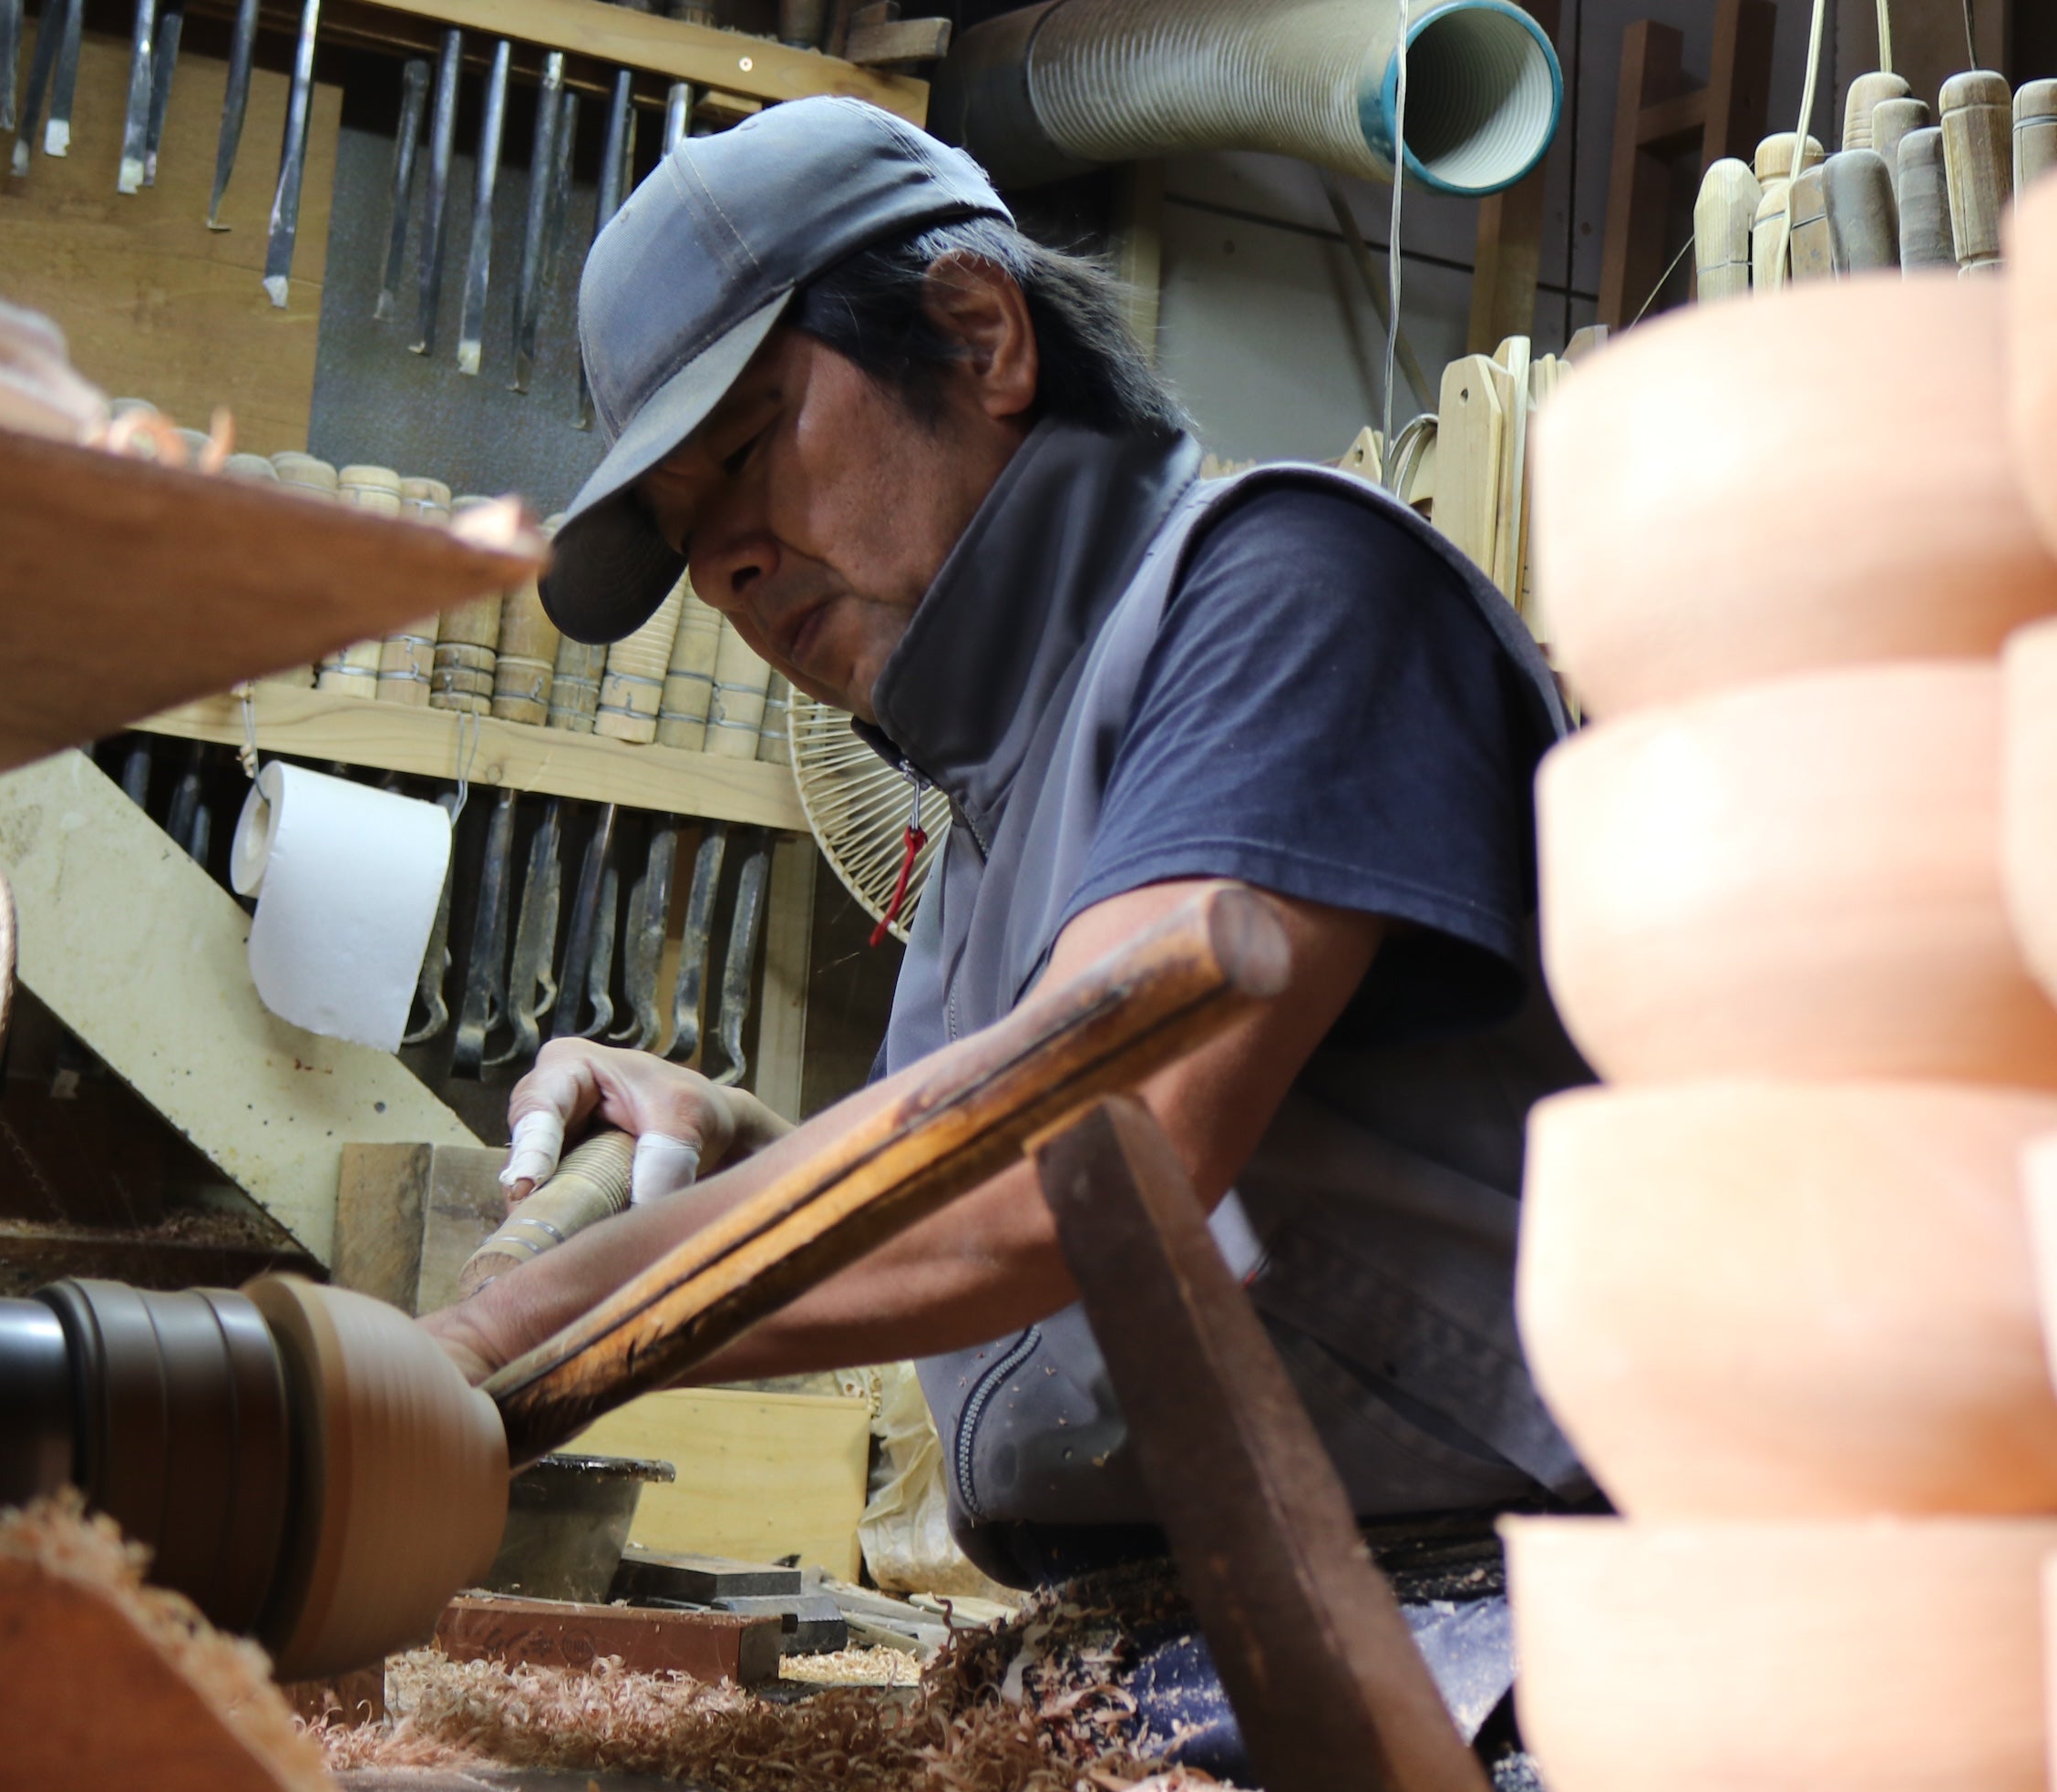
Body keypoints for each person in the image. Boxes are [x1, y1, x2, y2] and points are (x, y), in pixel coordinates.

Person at [421, 94, 1592, 1598]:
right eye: (680, 522)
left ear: (981, 333)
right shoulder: (996, 792)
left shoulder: (1286, 592)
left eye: (746, 445)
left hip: (1472, 1616)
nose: (725, 562)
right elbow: (1021, 1229)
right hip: (1196, 1617)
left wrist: (514, 1331)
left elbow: (1068, 1170)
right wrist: (740, 1150)